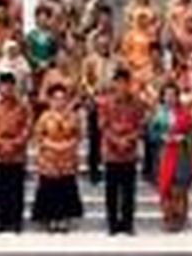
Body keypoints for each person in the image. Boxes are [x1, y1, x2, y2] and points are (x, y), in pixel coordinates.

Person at [98, 67, 146, 235]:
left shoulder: (137, 103)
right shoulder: (106, 103)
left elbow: (141, 125)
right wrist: (116, 140)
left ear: (129, 84)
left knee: (129, 191)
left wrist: (129, 139)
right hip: (111, 152)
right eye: (118, 82)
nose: (122, 86)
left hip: (129, 152)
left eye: (125, 82)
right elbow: (103, 126)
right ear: (114, 84)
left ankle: (128, 224)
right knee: (111, 191)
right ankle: (112, 224)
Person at [0, 72, 33, 233]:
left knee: (16, 189)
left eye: (10, 85)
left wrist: (15, 143)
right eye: (4, 85)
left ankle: (16, 221)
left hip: (17, 154)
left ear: (15, 87)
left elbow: (28, 127)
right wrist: (0, 144)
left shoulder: (23, 107)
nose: (7, 88)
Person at [32, 84, 84, 233]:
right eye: (56, 99)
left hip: (67, 157)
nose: (59, 102)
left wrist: (67, 146)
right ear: (50, 100)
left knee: (66, 188)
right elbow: (38, 136)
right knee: (50, 188)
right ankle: (50, 217)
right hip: (49, 158)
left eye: (62, 99)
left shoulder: (73, 116)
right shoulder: (44, 116)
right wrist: (52, 146)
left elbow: (78, 135)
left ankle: (64, 218)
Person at [150, 82, 192, 232]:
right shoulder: (158, 114)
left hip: (181, 154)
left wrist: (183, 137)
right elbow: (151, 134)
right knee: (167, 187)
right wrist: (162, 137)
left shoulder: (185, 113)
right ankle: (168, 217)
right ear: (162, 97)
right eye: (167, 95)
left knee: (180, 188)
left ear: (178, 97)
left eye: (173, 95)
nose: (170, 98)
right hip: (164, 154)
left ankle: (181, 218)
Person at [83, 31, 118, 185]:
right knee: (94, 137)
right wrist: (92, 91)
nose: (104, 47)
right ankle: (94, 170)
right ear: (96, 45)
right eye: (101, 44)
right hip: (96, 101)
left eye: (106, 44)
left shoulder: (117, 61)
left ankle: (111, 168)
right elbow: (84, 80)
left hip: (112, 102)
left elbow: (121, 79)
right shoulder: (89, 61)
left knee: (112, 135)